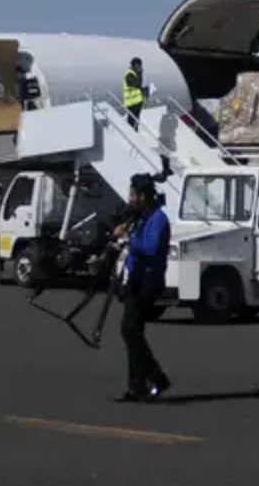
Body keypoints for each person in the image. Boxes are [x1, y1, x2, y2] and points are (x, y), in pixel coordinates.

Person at [116, 172, 171, 402]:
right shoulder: (140, 217)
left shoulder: (158, 219)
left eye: (133, 194)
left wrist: (128, 239)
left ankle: (155, 377)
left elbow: (151, 248)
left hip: (150, 280)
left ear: (144, 196)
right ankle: (138, 385)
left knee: (130, 330)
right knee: (131, 331)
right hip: (136, 277)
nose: (130, 198)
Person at [122, 58, 146, 130]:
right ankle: (130, 135)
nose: (139, 67)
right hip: (131, 102)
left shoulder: (135, 73)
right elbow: (135, 84)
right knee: (131, 122)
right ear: (133, 65)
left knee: (136, 121)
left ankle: (135, 135)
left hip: (137, 102)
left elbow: (139, 86)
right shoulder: (129, 74)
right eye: (137, 65)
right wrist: (139, 73)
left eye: (140, 65)